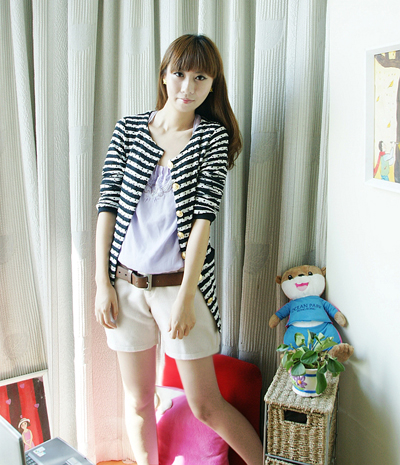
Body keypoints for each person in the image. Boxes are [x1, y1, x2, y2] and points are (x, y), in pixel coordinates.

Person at [95, 34, 263, 465]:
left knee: (206, 405)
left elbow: (204, 220)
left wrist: (187, 298)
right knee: (138, 402)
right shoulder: (129, 129)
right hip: (125, 284)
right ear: (164, 76)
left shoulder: (212, 137)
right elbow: (107, 208)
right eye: (180, 74)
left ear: (213, 84)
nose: (188, 86)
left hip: (179, 287)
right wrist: (102, 283)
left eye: (200, 77)